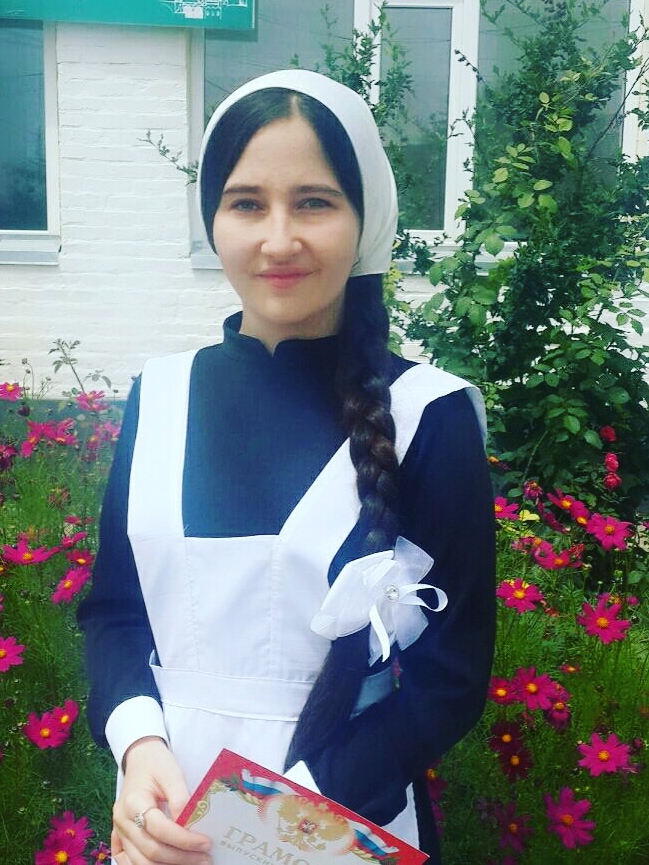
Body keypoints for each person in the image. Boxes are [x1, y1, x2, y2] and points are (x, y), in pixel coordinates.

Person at [78, 69, 496, 865]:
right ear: (212, 218)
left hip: (341, 821)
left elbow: (450, 680)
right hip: (166, 823)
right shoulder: (159, 394)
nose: (277, 240)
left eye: (314, 202)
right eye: (246, 203)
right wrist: (137, 748)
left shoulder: (428, 416)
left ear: (364, 218)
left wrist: (267, 821)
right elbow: (115, 612)